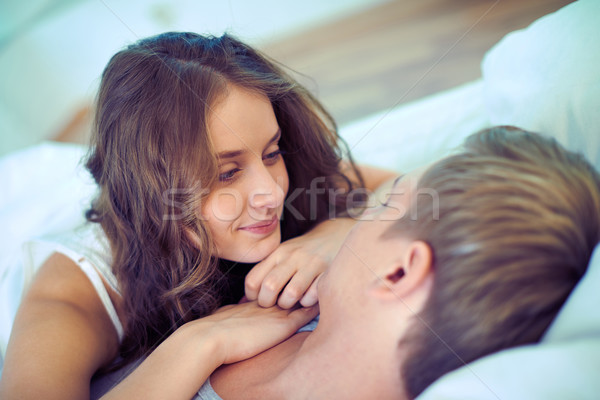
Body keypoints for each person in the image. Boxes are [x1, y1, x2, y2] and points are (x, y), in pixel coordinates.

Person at [0, 32, 395, 399]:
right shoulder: (74, 291)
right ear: (155, 187)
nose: (273, 193)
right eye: (226, 173)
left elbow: (413, 185)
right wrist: (203, 341)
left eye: (272, 153)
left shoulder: (287, 176)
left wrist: (334, 232)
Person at [148, 126, 595, 400]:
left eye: (382, 208)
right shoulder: (314, 308)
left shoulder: (238, 332)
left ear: (398, 273)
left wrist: (196, 345)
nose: (353, 221)